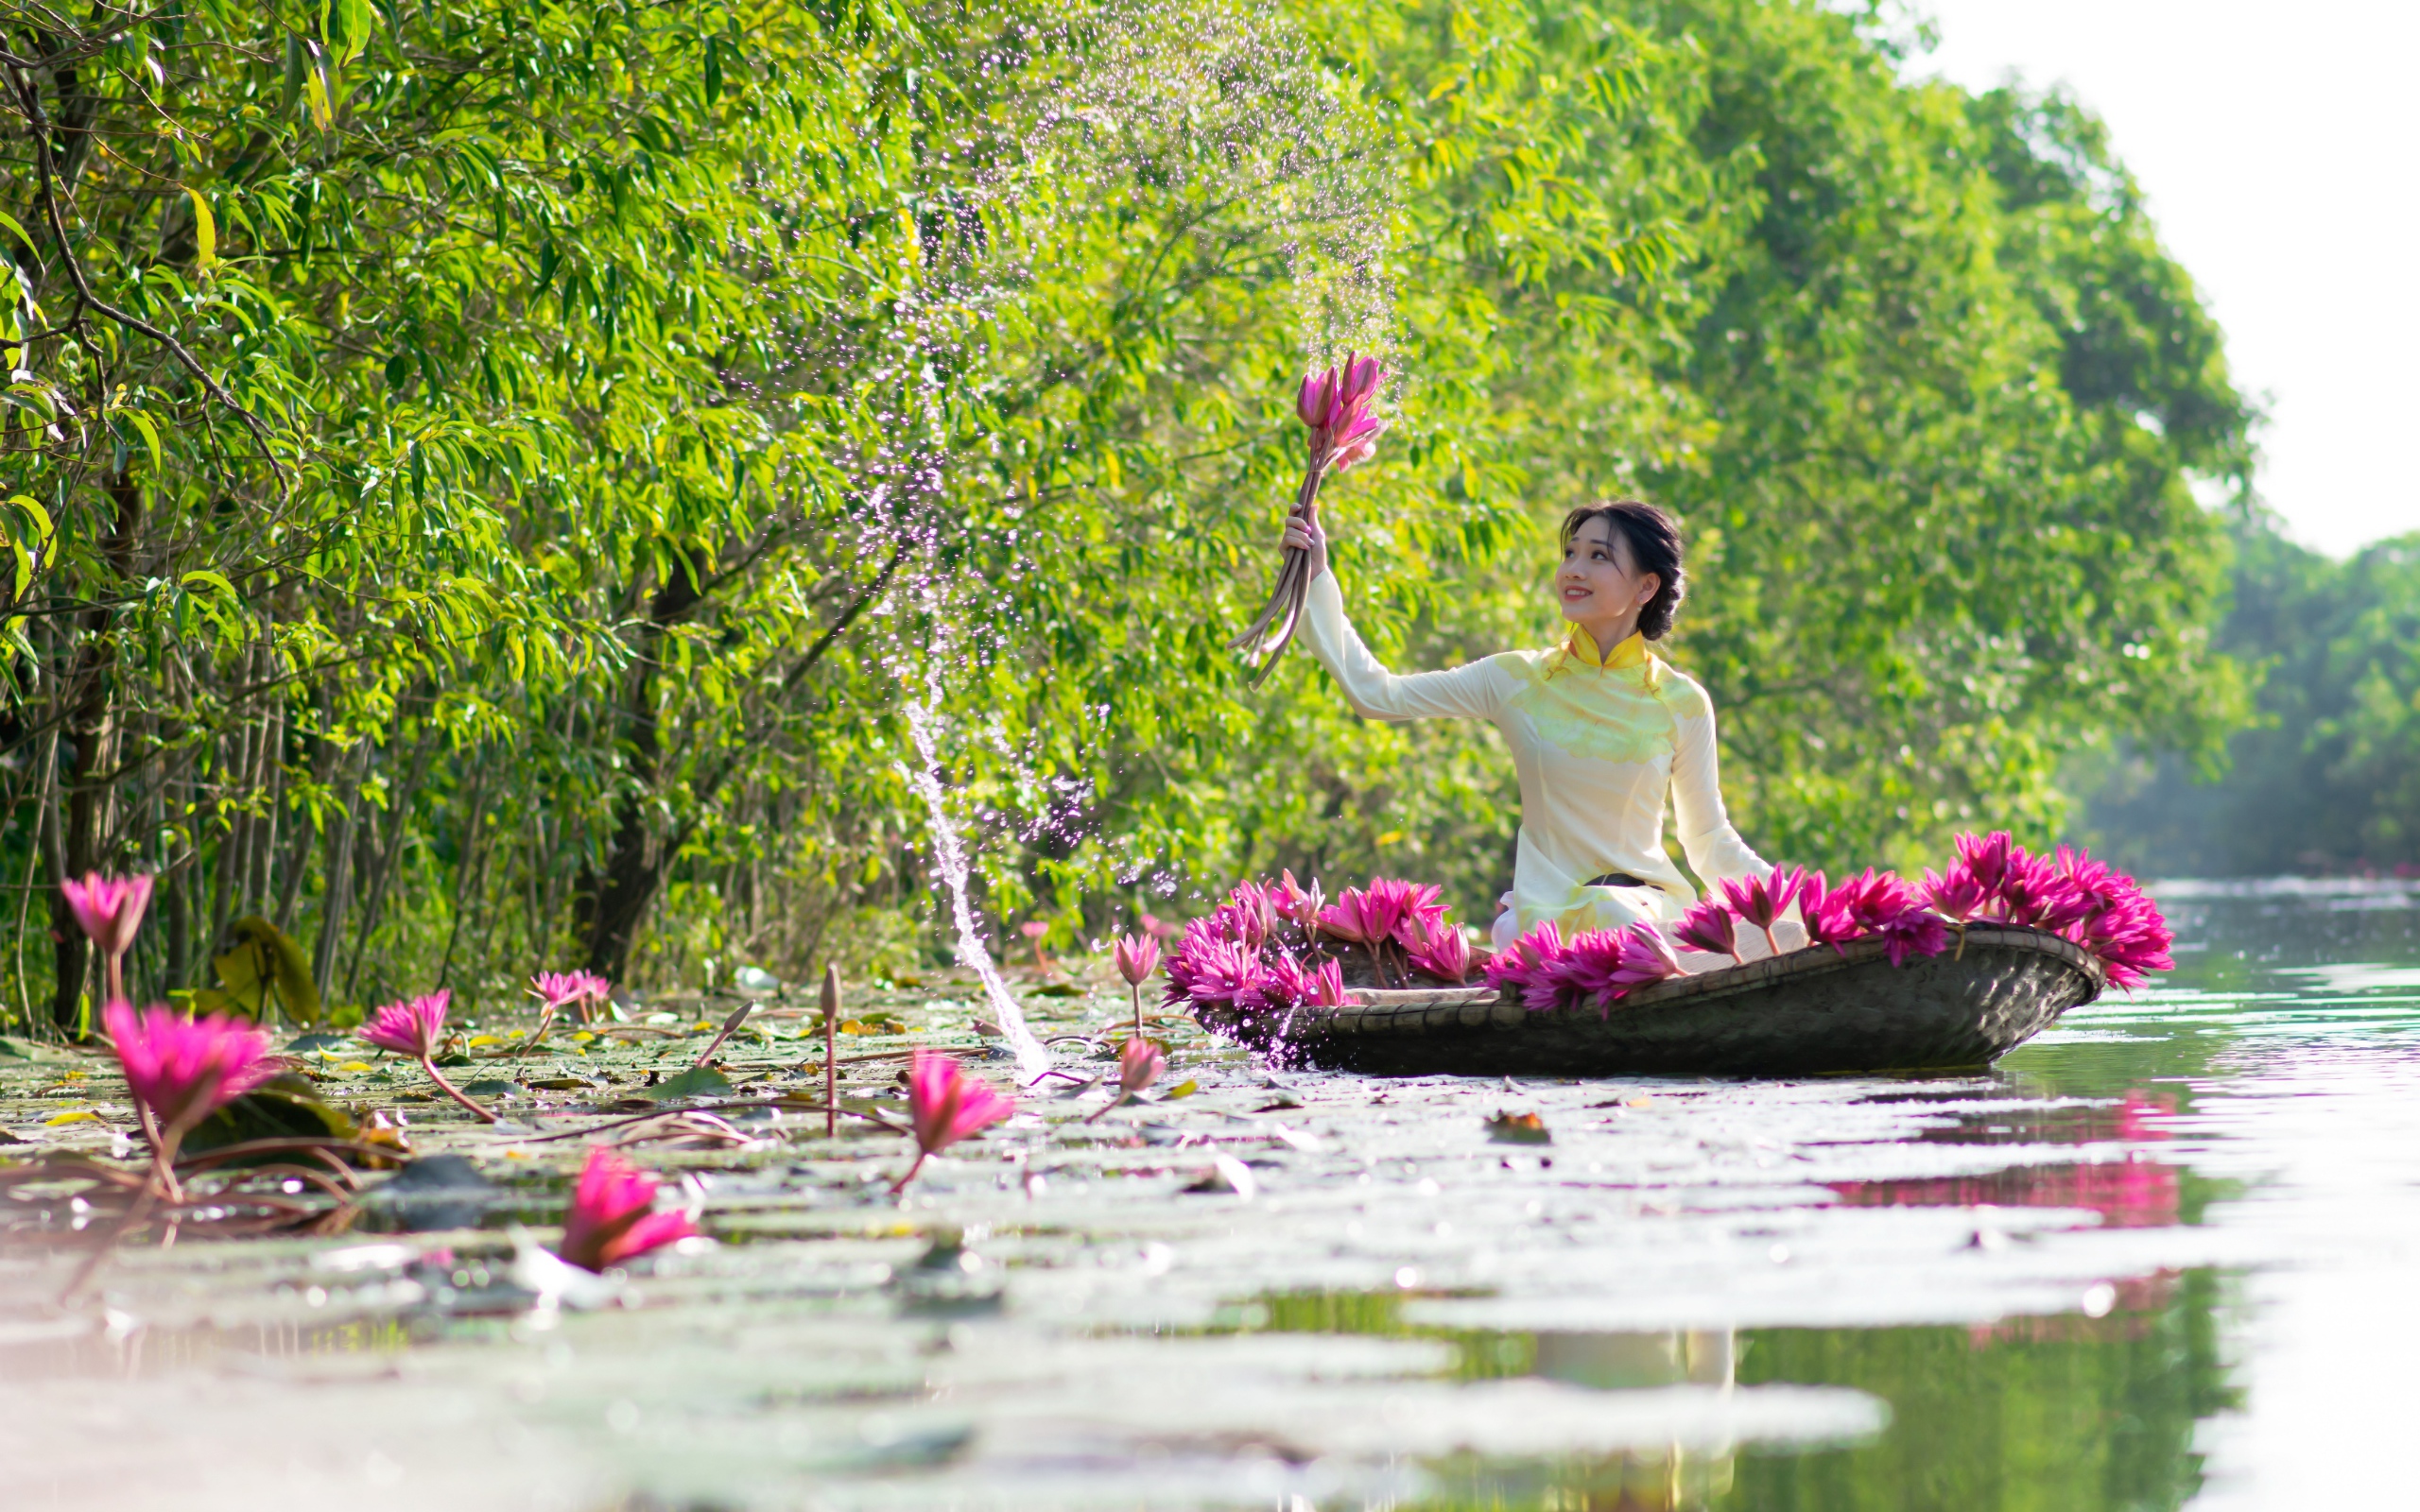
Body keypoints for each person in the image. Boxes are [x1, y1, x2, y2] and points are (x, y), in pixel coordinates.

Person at [1282, 500, 1786, 959]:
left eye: (1598, 557)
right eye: (1570, 553)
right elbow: (1378, 696)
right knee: (1598, 922)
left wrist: (1798, 904)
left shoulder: (1681, 703)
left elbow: (1707, 839)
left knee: (1777, 934)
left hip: (1644, 913)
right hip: (1542, 925)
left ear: (1646, 587)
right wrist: (1318, 575)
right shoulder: (1517, 679)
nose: (1573, 570)